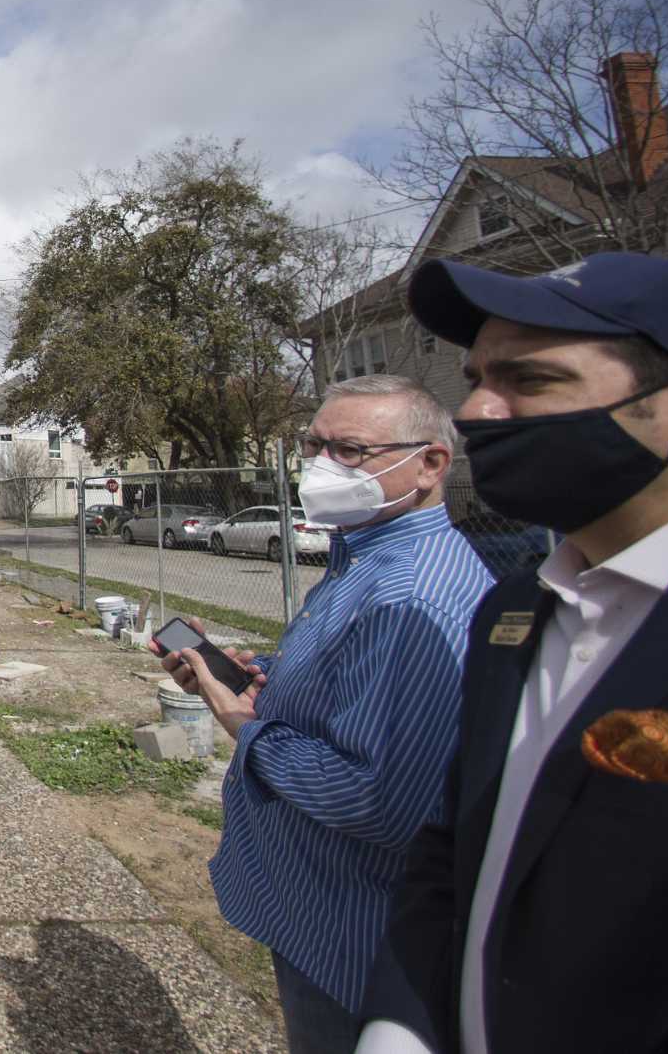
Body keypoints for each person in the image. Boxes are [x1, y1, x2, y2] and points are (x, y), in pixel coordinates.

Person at [358, 253, 668, 1053]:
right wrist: (400, 1027)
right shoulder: (515, 609)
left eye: (530, 378)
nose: (476, 409)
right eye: (476, 375)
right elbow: (457, 848)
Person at [155, 375, 493, 1052]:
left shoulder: (410, 594)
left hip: (358, 941)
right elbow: (353, 690)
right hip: (316, 912)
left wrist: (248, 726)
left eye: (349, 450)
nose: (321, 467)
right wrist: (262, 680)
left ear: (431, 464)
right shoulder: (363, 558)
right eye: (313, 446)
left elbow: (380, 797)